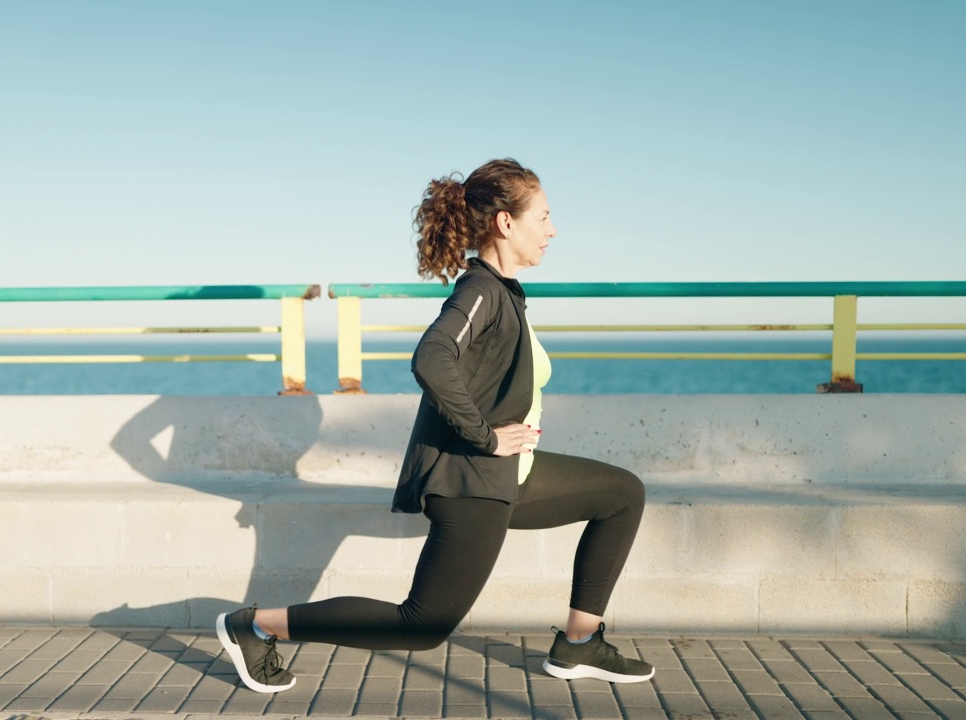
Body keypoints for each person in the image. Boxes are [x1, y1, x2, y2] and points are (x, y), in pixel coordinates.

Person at [216, 158, 653, 693]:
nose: (553, 229)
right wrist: (487, 438)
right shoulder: (482, 290)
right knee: (422, 625)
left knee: (621, 494)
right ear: (506, 224)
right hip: (472, 481)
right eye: (543, 217)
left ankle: (580, 644)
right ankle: (254, 626)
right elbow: (432, 356)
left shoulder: (506, 292)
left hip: (508, 475)